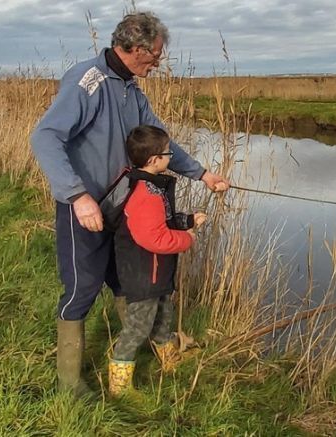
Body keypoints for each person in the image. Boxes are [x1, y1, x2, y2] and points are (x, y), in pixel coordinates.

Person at [30, 11, 229, 398]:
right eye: (155, 55)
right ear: (135, 48)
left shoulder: (132, 91)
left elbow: (161, 145)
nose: (158, 62)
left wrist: (203, 174)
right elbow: (45, 137)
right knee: (82, 289)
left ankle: (135, 358)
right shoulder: (88, 81)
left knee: (128, 283)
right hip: (85, 210)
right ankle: (69, 385)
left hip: (123, 208)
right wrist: (77, 196)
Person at [109, 125, 204, 396]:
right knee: (137, 328)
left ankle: (168, 358)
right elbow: (155, 239)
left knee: (163, 317)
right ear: (154, 160)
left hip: (156, 273)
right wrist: (188, 239)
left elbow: (161, 221)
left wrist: (187, 220)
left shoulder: (153, 187)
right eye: (167, 152)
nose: (170, 156)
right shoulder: (145, 194)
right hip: (143, 274)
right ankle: (119, 383)